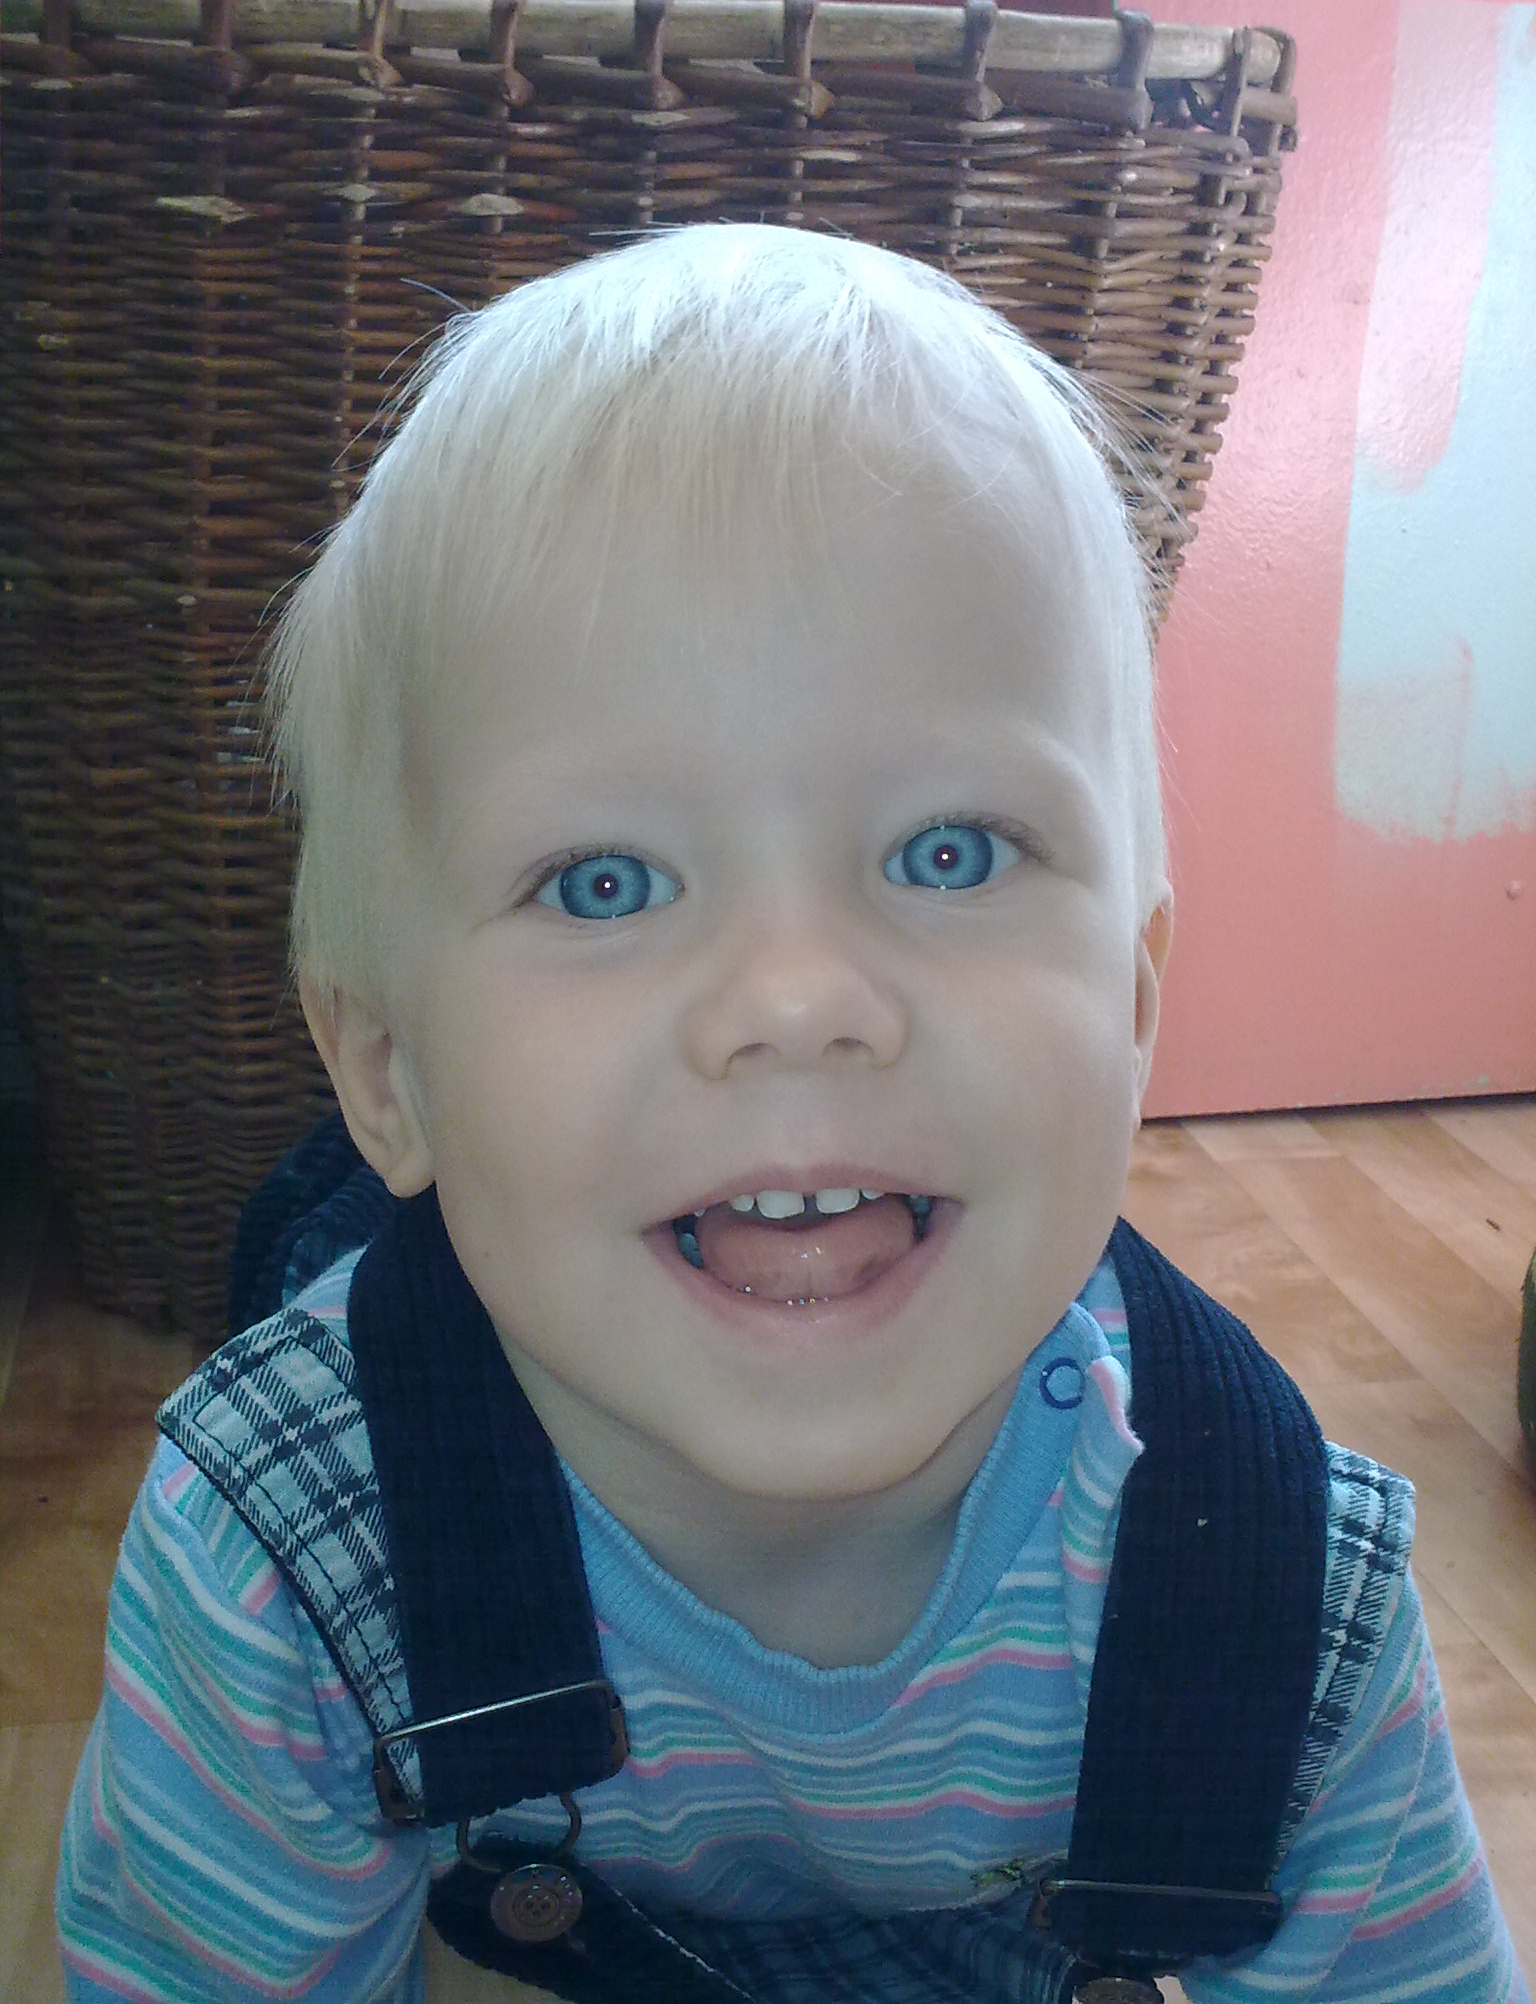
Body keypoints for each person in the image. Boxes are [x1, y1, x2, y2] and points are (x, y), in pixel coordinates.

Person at [58, 224, 1527, 2004]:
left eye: (949, 852)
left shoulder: (1270, 1599)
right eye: (604, 881)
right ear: (386, 1069)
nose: (799, 996)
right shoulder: (284, 1562)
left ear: (1138, 1001)